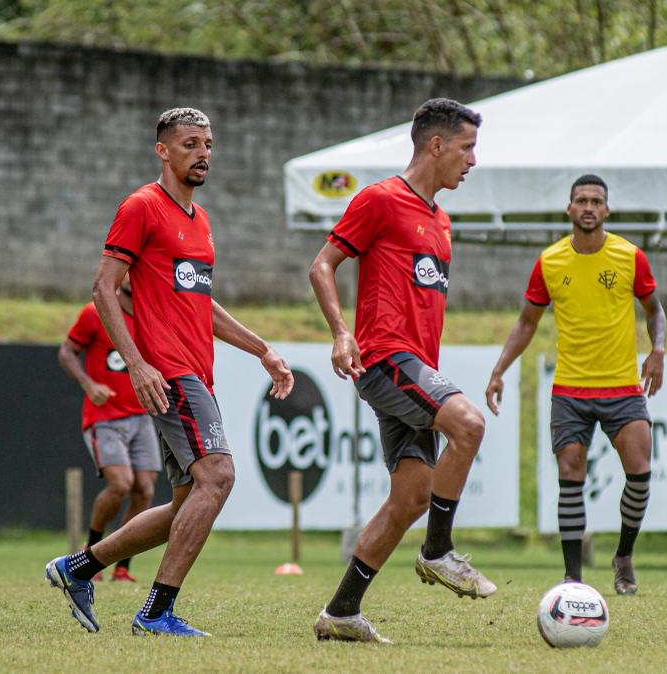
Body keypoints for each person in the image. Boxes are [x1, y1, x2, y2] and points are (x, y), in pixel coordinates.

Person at [45, 107, 294, 637]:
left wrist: (262, 350)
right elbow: (103, 288)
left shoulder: (200, 221)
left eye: (208, 144)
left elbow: (204, 305)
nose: (203, 153)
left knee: (184, 505)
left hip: (197, 374)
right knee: (219, 476)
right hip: (169, 373)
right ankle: (156, 612)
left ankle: (78, 568)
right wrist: (137, 364)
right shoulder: (141, 207)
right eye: (189, 144)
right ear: (162, 150)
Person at [308, 97, 494, 644]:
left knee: (411, 496)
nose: (473, 161)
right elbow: (322, 266)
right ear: (435, 145)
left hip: (416, 368)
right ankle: (438, 550)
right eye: (467, 148)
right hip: (387, 359)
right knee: (470, 424)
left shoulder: (442, 220)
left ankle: (341, 612)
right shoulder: (381, 200)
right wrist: (342, 332)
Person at [485, 174, 666, 594]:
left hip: (622, 388)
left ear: (606, 210)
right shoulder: (549, 261)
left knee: (639, 474)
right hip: (570, 390)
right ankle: (573, 579)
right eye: (581, 200)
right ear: (569, 209)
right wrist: (499, 370)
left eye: (596, 201)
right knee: (571, 475)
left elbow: (655, 310)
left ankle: (623, 554)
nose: (588, 207)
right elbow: (526, 323)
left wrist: (658, 349)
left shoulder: (629, 256)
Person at [59, 274, 160, 582]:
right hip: (105, 419)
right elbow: (66, 352)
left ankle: (122, 568)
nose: (132, 274)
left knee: (144, 490)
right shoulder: (95, 312)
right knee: (120, 484)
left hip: (142, 416)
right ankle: (90, 554)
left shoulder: (150, 315)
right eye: (127, 268)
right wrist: (89, 384)